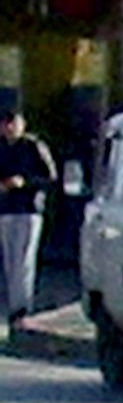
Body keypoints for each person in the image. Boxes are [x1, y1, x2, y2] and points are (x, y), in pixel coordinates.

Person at [0, 107, 53, 334]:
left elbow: (50, 177)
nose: (10, 129)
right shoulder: (1, 148)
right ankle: (13, 308)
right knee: (10, 261)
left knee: (24, 261)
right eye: (6, 125)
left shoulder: (33, 147)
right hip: (5, 209)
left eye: (14, 124)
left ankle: (21, 310)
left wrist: (25, 182)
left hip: (28, 209)